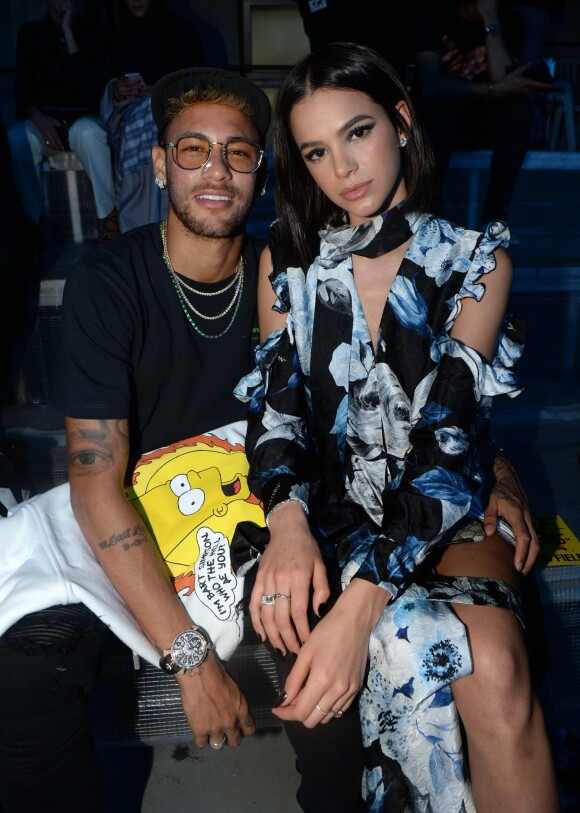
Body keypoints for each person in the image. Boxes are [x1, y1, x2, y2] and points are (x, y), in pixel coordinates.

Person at [235, 42, 559, 812]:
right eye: (316, 150)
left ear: (402, 121)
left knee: (498, 678)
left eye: (358, 131)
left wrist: (362, 602)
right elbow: (276, 412)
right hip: (330, 514)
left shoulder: (476, 261)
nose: (342, 167)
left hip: (443, 513)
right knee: (415, 653)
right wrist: (285, 520)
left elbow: (446, 440)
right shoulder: (287, 261)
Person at [0, 65, 271, 813]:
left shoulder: (283, 275)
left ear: (260, 169)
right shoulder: (108, 281)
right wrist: (190, 661)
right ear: (158, 164)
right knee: (26, 667)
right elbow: (95, 480)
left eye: (237, 152)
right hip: (131, 509)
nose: (215, 170)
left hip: (242, 512)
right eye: (193, 150)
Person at [413, 0, 553, 228]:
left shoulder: (510, 19)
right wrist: (491, 91)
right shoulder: (436, 13)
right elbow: (430, 84)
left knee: (518, 108)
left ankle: (495, 217)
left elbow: (504, 81)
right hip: (438, 122)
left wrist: (490, 17)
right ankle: (431, 217)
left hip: (480, 121)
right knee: (441, 106)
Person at [7, 0, 118, 243]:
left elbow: (91, 87)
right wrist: (37, 118)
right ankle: (32, 226)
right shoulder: (31, 32)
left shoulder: (94, 32)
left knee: (88, 133)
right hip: (44, 119)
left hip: (83, 117)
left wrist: (69, 32)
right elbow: (23, 89)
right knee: (18, 138)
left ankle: (108, 217)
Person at [102, 0, 207, 233]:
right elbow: (101, 80)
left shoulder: (180, 30)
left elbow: (196, 81)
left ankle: (152, 216)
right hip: (126, 117)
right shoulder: (113, 33)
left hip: (170, 113)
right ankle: (135, 216)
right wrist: (118, 88)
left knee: (151, 116)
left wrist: (156, 90)